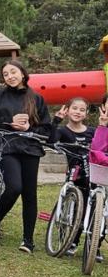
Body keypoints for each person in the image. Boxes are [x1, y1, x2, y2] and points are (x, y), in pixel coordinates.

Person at [0, 60, 52, 253]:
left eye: (13, 72)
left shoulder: (36, 98)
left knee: (30, 194)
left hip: (30, 148)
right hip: (7, 147)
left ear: (22, 73)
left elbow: (46, 129)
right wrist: (9, 122)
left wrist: (29, 127)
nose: (10, 76)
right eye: (5, 74)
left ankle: (28, 240)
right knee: (14, 187)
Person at [50, 96, 95, 256]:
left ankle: (92, 244)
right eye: (75, 108)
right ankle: (69, 241)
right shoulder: (63, 131)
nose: (78, 112)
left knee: (92, 209)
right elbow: (51, 142)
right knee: (72, 208)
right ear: (67, 110)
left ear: (87, 113)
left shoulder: (92, 131)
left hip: (92, 175)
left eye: (82, 110)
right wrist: (56, 121)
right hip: (74, 175)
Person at [87, 97, 108, 262]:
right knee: (98, 208)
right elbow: (96, 150)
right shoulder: (102, 128)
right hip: (102, 174)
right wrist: (102, 125)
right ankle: (95, 244)